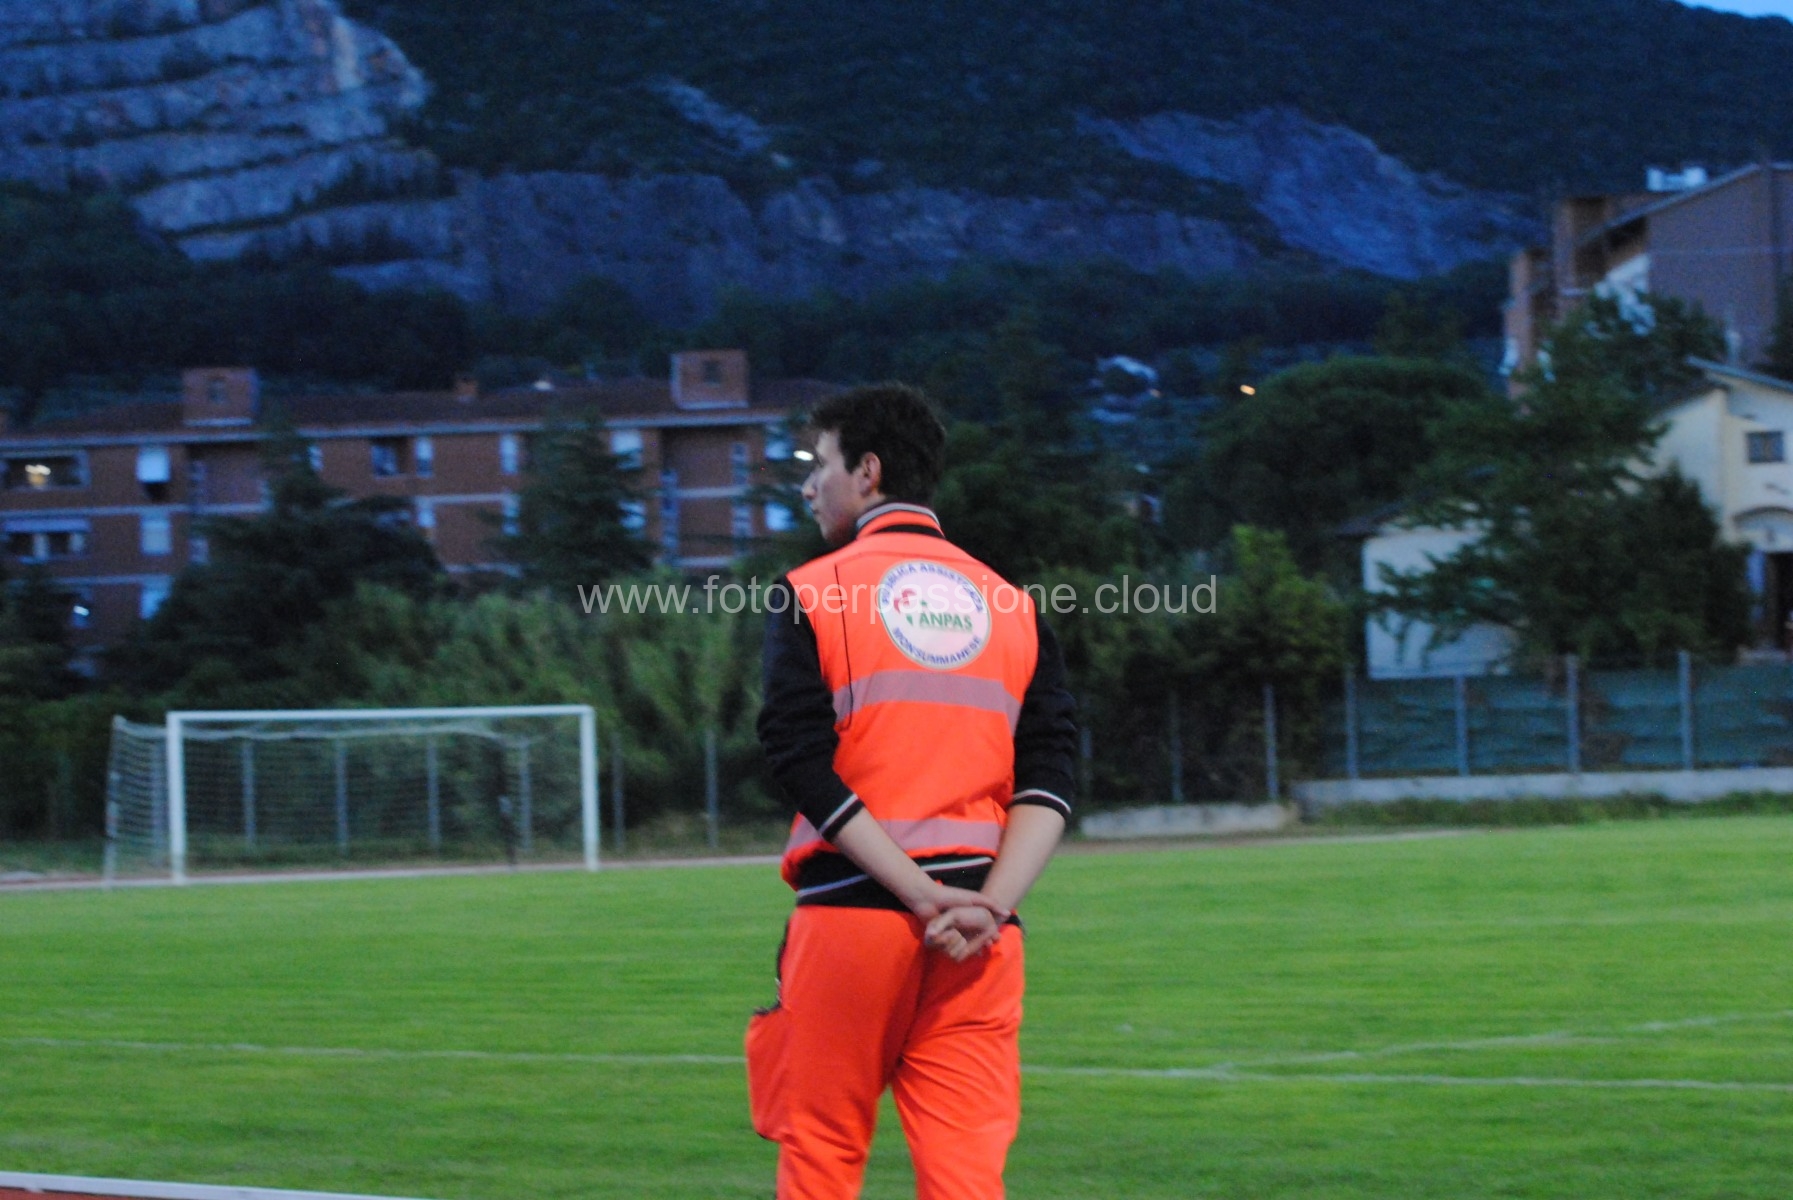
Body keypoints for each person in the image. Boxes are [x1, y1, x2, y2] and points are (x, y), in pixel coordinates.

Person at [750, 382, 1078, 1200]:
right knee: (966, 1172)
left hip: (854, 921)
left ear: (867, 472)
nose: (807, 486)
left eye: (818, 465)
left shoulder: (812, 591)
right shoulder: (1013, 607)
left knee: (822, 1152)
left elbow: (797, 758)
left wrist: (917, 894)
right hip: (979, 938)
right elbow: (1050, 775)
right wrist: (989, 906)